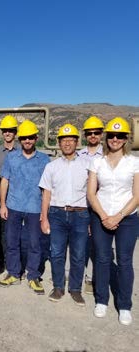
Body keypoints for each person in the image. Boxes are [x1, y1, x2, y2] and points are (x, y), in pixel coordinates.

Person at [87, 117, 139, 326]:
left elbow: (137, 195)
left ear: (126, 139)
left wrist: (118, 216)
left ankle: (124, 305)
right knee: (102, 259)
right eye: (112, 136)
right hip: (101, 216)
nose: (115, 139)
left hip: (127, 218)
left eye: (120, 136)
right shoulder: (97, 162)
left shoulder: (134, 162)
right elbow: (91, 193)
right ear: (107, 138)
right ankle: (102, 300)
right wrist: (103, 216)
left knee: (125, 261)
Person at [39, 124, 90, 306]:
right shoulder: (51, 167)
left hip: (81, 215)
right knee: (57, 253)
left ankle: (75, 289)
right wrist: (44, 218)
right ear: (59, 143)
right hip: (57, 214)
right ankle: (58, 287)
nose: (67, 143)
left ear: (77, 142)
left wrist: (92, 219)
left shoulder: (87, 165)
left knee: (78, 254)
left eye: (71, 140)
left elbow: (92, 193)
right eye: (63, 140)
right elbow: (46, 194)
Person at [0, 120, 50, 294]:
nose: (27, 141)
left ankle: (33, 275)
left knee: (35, 243)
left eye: (30, 137)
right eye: (24, 138)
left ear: (36, 138)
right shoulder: (11, 158)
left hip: (35, 208)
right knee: (12, 241)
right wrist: (3, 204)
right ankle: (13, 273)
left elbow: (46, 188)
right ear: (20, 140)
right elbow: (4, 181)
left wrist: (45, 211)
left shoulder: (44, 159)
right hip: (13, 206)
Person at [77, 115, 104, 295]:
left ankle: (91, 277)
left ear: (101, 134)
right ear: (85, 135)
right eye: (90, 133)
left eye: (96, 132)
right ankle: (77, 275)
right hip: (81, 205)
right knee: (79, 243)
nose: (93, 135)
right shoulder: (78, 155)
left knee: (99, 243)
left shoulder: (108, 155)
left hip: (101, 206)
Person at [0, 114, 19, 274]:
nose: (7, 133)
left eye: (10, 130)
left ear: (15, 132)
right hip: (0, 200)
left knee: (16, 234)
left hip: (17, 199)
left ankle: (15, 263)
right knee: (0, 235)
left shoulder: (22, 151)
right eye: (5, 131)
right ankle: (2, 263)